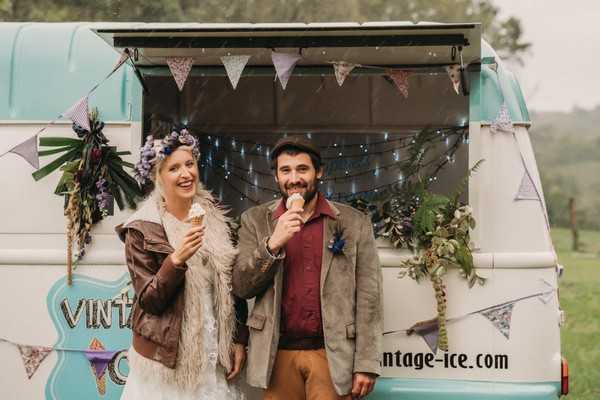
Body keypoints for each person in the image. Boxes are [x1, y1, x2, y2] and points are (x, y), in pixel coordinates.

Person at [232, 135, 383, 400]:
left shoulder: (353, 222)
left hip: (332, 355)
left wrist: (366, 364)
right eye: (285, 170)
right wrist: (273, 244)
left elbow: (370, 298)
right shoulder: (254, 221)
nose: (294, 179)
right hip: (275, 353)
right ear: (276, 176)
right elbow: (242, 287)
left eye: (302, 169)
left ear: (318, 172)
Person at [116, 129, 248, 400]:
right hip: (167, 361)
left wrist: (239, 338)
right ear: (158, 177)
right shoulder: (143, 229)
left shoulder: (216, 219)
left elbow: (231, 286)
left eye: (189, 164)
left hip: (212, 353)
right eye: (173, 168)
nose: (185, 174)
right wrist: (176, 260)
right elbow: (149, 301)